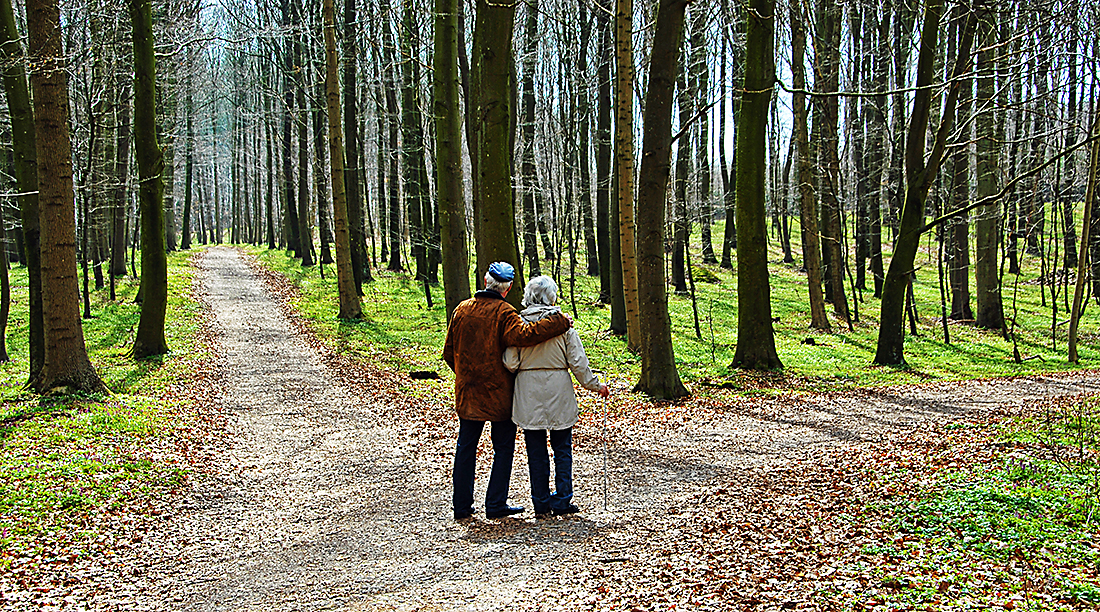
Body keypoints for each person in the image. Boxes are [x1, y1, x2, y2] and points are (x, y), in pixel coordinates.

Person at [442, 262, 572, 520]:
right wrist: (558, 322)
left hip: (468, 392)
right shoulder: (505, 313)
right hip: (499, 394)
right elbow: (526, 335)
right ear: (509, 287)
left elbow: (448, 351)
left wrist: (466, 375)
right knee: (502, 448)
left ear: (485, 280)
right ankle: (495, 503)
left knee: (465, 447)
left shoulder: (462, 310)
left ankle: (461, 506)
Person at [503, 275, 608, 517]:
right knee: (562, 449)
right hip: (559, 390)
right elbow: (578, 363)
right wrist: (596, 386)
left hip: (528, 391)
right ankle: (562, 499)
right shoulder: (564, 326)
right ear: (552, 297)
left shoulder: (519, 325)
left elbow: (510, 362)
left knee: (536, 451)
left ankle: (540, 501)